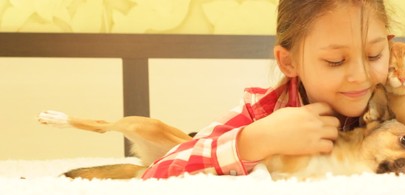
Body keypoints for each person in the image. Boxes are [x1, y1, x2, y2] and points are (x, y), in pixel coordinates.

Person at [142, 0, 392, 179]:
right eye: (335, 60)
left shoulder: (399, 96)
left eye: (374, 55)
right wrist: (253, 141)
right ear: (289, 62)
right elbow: (158, 171)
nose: (361, 76)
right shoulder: (262, 112)